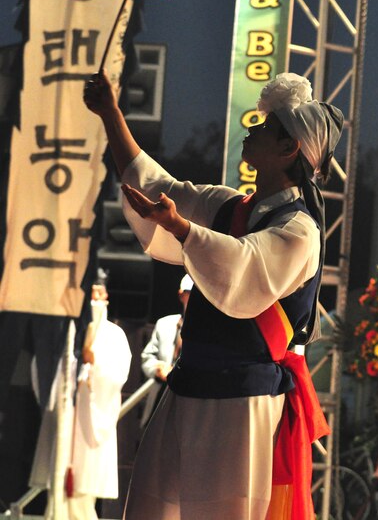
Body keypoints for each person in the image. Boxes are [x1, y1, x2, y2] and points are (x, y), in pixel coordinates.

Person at [83, 71, 340, 519]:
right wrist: (111, 114)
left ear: (288, 148)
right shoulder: (227, 206)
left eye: (264, 127)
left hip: (243, 402)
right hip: (188, 386)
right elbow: (155, 187)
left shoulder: (299, 230)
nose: (251, 129)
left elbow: (243, 269)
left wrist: (180, 227)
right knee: (149, 508)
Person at [29, 275, 131, 520]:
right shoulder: (64, 330)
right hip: (65, 413)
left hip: (90, 416)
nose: (94, 298)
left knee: (83, 498)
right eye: (90, 293)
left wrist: (92, 367)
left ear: (106, 297)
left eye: (98, 293)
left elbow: (116, 375)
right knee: (57, 492)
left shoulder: (114, 334)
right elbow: (41, 365)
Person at [139, 274, 192, 428]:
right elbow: (147, 357)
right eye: (191, 294)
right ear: (181, 295)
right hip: (160, 396)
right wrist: (158, 369)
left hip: (188, 401)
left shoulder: (208, 331)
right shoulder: (165, 324)